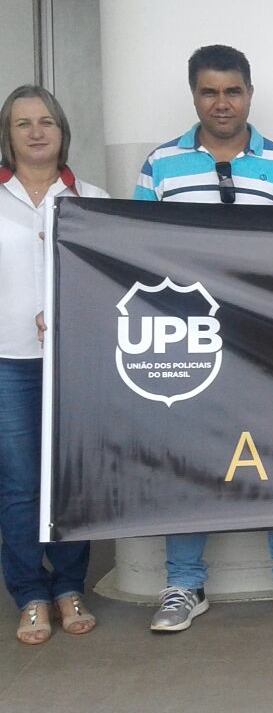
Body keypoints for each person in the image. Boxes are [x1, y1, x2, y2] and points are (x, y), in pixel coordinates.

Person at [133, 44, 273, 632]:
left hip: (264, 342)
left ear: (249, 95)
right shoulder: (160, 166)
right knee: (187, 457)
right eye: (209, 91)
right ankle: (184, 585)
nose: (222, 103)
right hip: (186, 341)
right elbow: (134, 249)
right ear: (194, 96)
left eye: (232, 91)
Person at [0, 84, 108, 644]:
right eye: (23, 123)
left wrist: (71, 313)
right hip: (9, 361)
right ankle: (30, 594)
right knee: (20, 485)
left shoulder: (92, 198)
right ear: (8, 135)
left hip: (76, 365)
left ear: (63, 130)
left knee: (72, 482)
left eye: (46, 121)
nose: (36, 131)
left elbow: (113, 283)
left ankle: (68, 586)